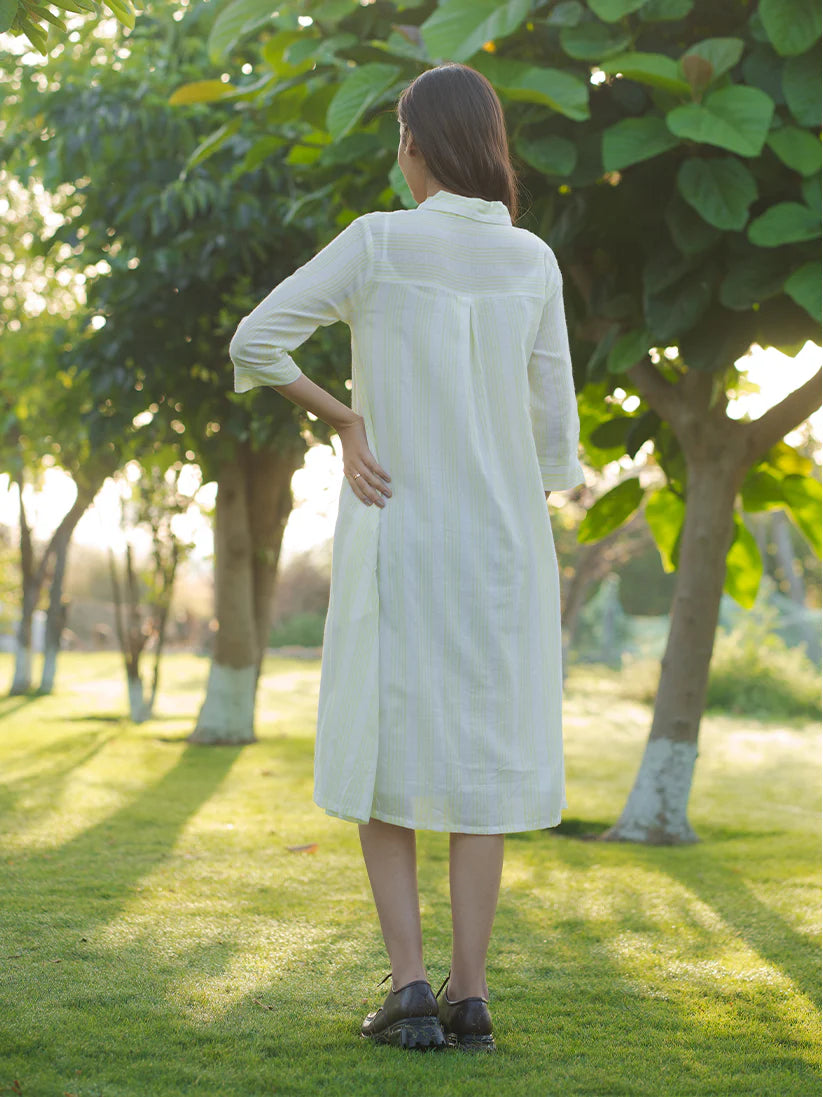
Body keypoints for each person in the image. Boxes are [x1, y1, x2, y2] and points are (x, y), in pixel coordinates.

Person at [229, 62, 585, 1054]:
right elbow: (554, 440)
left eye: (400, 136)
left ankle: (412, 986)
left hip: (400, 532)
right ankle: (471, 996)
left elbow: (258, 340)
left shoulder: (378, 242)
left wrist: (347, 419)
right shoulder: (531, 260)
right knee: (484, 760)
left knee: (383, 752)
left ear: (417, 144)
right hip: (502, 549)